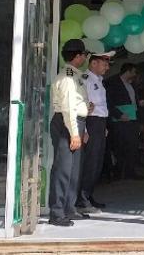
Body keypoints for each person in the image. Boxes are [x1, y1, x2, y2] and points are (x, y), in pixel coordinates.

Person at [48, 39, 93, 227]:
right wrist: (74, 133)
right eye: (84, 55)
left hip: (76, 123)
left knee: (74, 170)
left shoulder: (75, 75)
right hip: (67, 124)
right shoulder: (67, 77)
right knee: (63, 169)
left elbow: (77, 105)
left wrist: (83, 128)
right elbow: (67, 108)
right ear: (77, 56)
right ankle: (57, 212)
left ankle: (69, 208)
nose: (85, 58)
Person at [76, 50, 115, 214]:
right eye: (104, 64)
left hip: (99, 123)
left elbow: (101, 106)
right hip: (90, 123)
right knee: (90, 163)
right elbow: (82, 105)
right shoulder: (85, 79)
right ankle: (82, 200)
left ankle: (88, 195)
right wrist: (84, 129)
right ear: (93, 63)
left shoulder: (98, 80)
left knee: (97, 163)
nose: (107, 67)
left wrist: (103, 126)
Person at [106, 63, 144, 180]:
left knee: (132, 145)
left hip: (133, 118)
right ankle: (118, 172)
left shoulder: (132, 84)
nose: (135, 74)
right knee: (119, 146)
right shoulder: (112, 82)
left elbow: (133, 100)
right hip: (119, 120)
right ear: (128, 71)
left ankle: (130, 171)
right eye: (134, 72)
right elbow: (108, 102)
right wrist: (119, 114)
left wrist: (139, 104)